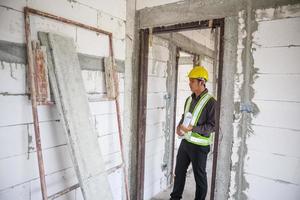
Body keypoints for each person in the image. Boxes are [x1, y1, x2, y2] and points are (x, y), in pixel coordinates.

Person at [170, 66, 216, 200]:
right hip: (186, 143)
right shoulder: (189, 99)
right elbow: (185, 116)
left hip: (200, 147)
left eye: (192, 81)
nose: (189, 84)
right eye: (190, 81)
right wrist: (179, 126)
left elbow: (213, 126)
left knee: (199, 177)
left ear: (202, 82)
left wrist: (192, 129)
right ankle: (175, 197)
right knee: (179, 172)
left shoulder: (211, 102)